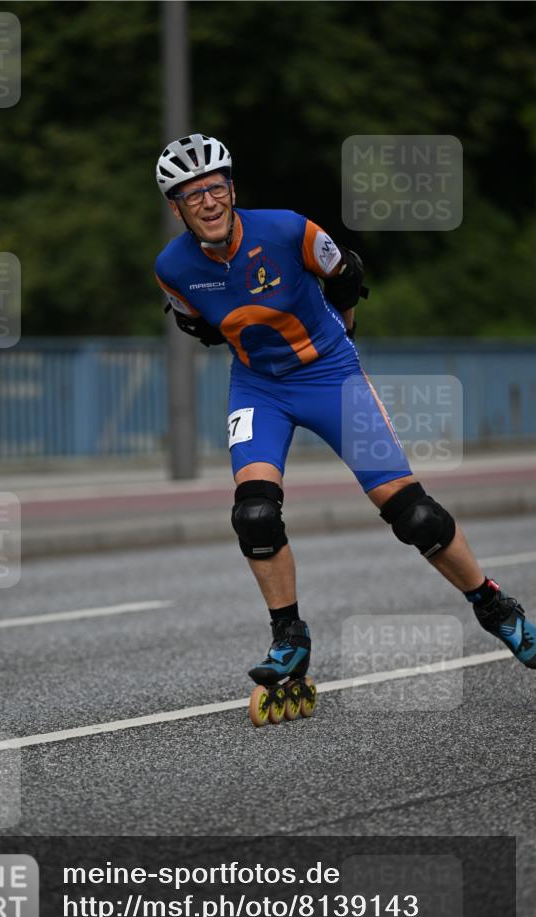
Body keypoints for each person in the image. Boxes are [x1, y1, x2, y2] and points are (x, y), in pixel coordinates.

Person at [154, 133, 535, 720]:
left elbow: (346, 275)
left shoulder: (286, 230)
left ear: (232, 190)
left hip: (332, 376)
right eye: (190, 194)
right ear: (175, 208)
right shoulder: (171, 267)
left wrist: (344, 335)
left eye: (215, 187)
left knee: (414, 515)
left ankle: (495, 606)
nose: (207, 201)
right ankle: (290, 637)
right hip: (260, 388)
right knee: (253, 512)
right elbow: (198, 326)